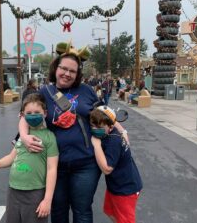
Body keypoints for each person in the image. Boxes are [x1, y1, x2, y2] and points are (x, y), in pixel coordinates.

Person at [19, 41, 128, 223]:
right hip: (55, 164)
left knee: (82, 211)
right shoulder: (45, 92)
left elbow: (104, 114)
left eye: (72, 71)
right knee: (58, 210)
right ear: (56, 68)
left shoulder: (86, 91)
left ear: (77, 74)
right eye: (64, 68)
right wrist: (24, 136)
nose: (67, 74)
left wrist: (122, 130)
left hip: (86, 163)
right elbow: (24, 116)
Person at [0, 93, 59, 223]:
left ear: (45, 113)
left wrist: (47, 200)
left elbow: (52, 169)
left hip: (35, 193)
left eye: (37, 112)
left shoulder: (49, 137)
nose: (33, 115)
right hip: (13, 191)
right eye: (29, 113)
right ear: (23, 115)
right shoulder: (22, 136)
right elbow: (11, 157)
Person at [90, 106, 143, 223]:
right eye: (92, 125)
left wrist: (96, 145)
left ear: (110, 127)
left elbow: (107, 169)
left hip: (125, 189)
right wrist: (123, 131)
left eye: (99, 127)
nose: (94, 129)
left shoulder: (113, 141)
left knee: (125, 220)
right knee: (110, 211)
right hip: (116, 186)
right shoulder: (112, 132)